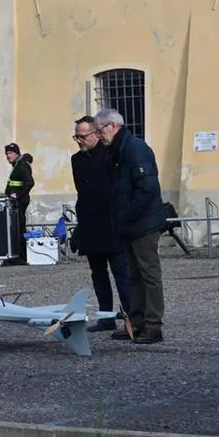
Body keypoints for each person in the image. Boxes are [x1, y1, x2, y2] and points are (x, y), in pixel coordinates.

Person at [94, 108, 167, 345]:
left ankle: (153, 326)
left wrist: (128, 215)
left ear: (112, 126)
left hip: (143, 223)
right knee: (133, 275)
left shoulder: (135, 149)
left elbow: (147, 189)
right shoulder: (115, 150)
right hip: (128, 223)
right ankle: (136, 323)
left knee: (149, 274)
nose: (98, 135)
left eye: (99, 129)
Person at [70, 116, 131, 334]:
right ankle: (106, 316)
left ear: (96, 134)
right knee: (98, 274)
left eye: (83, 136)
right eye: (76, 136)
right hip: (89, 222)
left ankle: (130, 317)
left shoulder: (109, 155)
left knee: (121, 273)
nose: (79, 140)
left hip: (111, 222)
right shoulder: (76, 160)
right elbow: (82, 192)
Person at [3, 142, 34, 262]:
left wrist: (18, 195)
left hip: (20, 202)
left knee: (20, 228)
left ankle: (22, 256)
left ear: (16, 153)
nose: (8, 156)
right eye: (7, 154)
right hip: (16, 202)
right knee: (16, 228)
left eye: (10, 153)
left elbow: (30, 182)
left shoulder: (22, 165)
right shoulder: (16, 165)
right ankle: (18, 254)